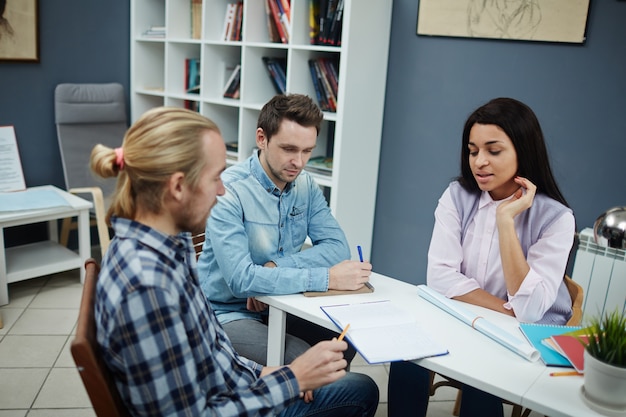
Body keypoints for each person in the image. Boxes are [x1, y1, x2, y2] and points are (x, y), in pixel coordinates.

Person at [90, 106, 379, 416]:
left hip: (222, 384)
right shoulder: (147, 287)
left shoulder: (166, 249)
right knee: (360, 389)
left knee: (345, 367)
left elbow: (215, 359)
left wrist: (272, 375)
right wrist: (293, 379)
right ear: (176, 187)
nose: (222, 189)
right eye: (215, 177)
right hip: (224, 395)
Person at [388, 97, 575, 417]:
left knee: (482, 374)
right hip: (469, 317)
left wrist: (506, 220)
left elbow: (530, 311)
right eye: (473, 151)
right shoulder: (457, 195)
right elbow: (441, 276)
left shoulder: (556, 218)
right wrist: (504, 310)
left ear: (523, 150)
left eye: (494, 150)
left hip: (528, 335)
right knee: (406, 356)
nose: (479, 162)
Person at [197, 94, 372, 365]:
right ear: (261, 138)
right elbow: (241, 280)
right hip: (225, 314)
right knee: (309, 359)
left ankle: (313, 400)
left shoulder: (306, 186)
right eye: (289, 149)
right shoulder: (229, 191)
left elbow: (338, 249)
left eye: (307, 151)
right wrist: (326, 278)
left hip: (281, 305)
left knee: (344, 338)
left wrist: (274, 267)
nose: (299, 162)